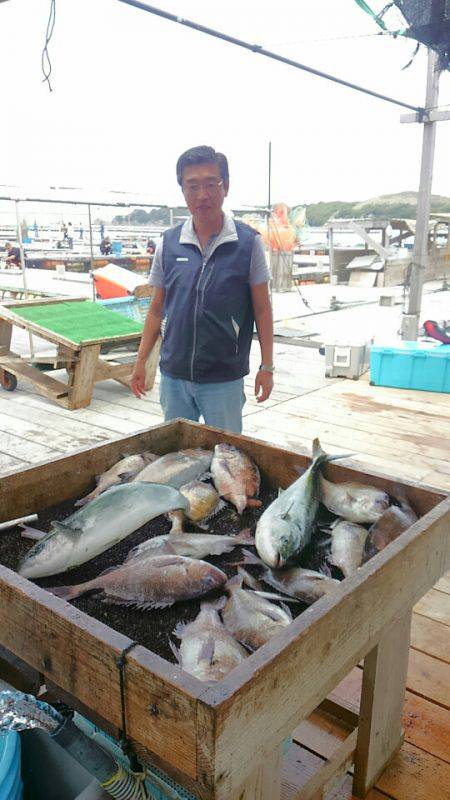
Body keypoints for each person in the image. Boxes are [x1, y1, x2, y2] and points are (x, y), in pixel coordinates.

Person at [130, 145, 274, 434]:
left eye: (211, 184)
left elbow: (262, 309)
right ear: (183, 191)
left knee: (227, 452)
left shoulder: (248, 243)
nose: (202, 195)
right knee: (175, 450)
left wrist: (267, 367)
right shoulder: (169, 244)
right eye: (192, 186)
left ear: (226, 186)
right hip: (174, 376)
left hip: (224, 378)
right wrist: (141, 361)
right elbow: (157, 309)